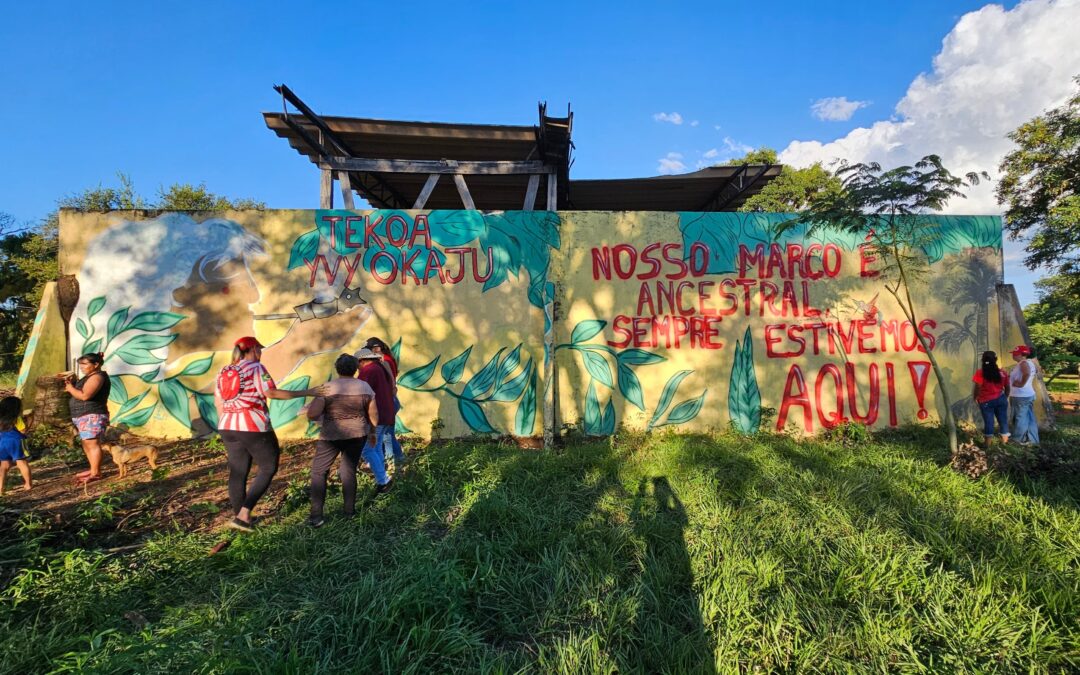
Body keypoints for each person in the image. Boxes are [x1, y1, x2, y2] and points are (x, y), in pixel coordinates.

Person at [215, 336, 314, 532]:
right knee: (268, 467)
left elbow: (218, 401)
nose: (260, 353)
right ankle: (244, 514)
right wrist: (308, 392)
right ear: (251, 350)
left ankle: (240, 518)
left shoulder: (224, 370)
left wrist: (225, 423)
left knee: (238, 471)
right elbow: (272, 393)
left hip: (227, 424)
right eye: (259, 349)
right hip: (253, 425)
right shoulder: (256, 368)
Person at [304, 354, 379, 527]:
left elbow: (313, 413)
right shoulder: (365, 387)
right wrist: (373, 432)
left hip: (331, 435)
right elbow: (373, 413)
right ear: (355, 369)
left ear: (337, 368)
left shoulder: (328, 388)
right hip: (357, 434)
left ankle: (316, 516)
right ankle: (349, 512)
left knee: (318, 471)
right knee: (348, 471)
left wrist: (319, 416)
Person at [64, 352, 111, 483]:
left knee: (92, 443)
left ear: (96, 364)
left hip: (92, 414)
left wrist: (70, 388)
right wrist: (73, 383)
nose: (82, 367)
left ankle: (96, 472)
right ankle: (93, 469)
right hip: (83, 415)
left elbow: (85, 396)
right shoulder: (90, 376)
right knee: (86, 442)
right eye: (80, 364)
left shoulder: (97, 377)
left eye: (85, 364)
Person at [355, 348, 396, 494]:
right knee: (376, 447)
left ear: (362, 361)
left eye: (357, 364)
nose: (357, 368)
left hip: (377, 415)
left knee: (367, 450)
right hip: (386, 414)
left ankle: (383, 481)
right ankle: (383, 478)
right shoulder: (379, 367)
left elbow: (359, 393)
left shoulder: (368, 371)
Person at [364, 337, 406, 471]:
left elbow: (389, 382)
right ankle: (393, 461)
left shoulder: (383, 361)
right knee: (387, 435)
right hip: (390, 399)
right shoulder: (387, 359)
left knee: (385, 436)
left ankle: (392, 462)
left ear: (376, 349)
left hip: (387, 400)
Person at [972, 350, 1010, 447]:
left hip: (986, 401)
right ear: (996, 360)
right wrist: (1005, 397)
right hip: (1001, 399)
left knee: (989, 422)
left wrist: (975, 397)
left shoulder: (980, 373)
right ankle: (1005, 442)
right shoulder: (1003, 372)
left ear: (983, 360)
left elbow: (978, 387)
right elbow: (1007, 387)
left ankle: (987, 444)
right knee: (1003, 420)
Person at [1008, 344, 1040, 447]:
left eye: (1015, 354)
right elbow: (1035, 372)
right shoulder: (1031, 362)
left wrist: (1021, 384)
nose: (1013, 355)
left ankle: (1017, 440)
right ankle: (1033, 439)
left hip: (1020, 396)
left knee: (1020, 418)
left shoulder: (1023, 363)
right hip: (1027, 394)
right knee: (1029, 417)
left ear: (1022, 355)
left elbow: (1026, 373)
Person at [0, 396, 32, 495]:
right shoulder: (16, 418)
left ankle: (0, 488)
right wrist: (30, 421)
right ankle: (28, 484)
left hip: (2, 442)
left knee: (4, 465)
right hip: (16, 441)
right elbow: (23, 430)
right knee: (21, 463)